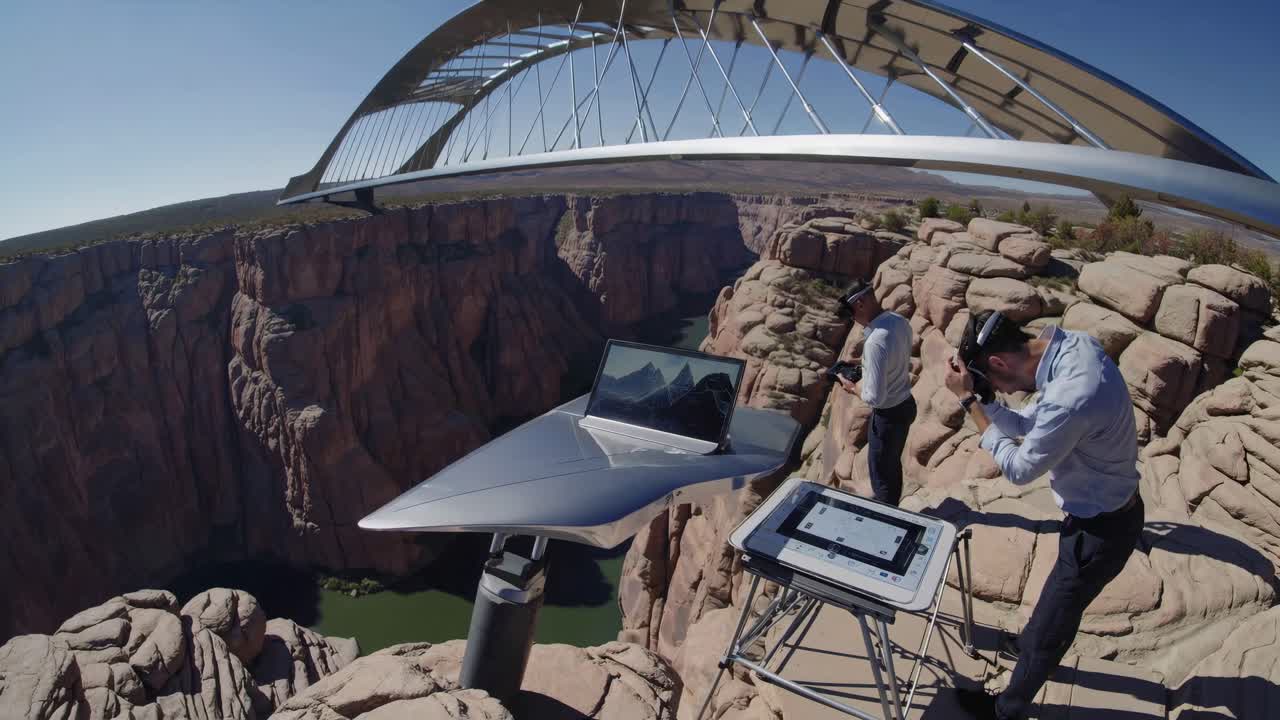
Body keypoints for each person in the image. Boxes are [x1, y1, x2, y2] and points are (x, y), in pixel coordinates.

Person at [943, 310, 1144, 720]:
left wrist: (969, 404)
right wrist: (986, 401)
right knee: (1056, 600)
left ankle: (1007, 709)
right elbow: (1026, 424)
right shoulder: (1075, 348)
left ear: (998, 363)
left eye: (994, 380)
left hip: (1101, 529)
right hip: (1098, 515)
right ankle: (1027, 643)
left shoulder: (1070, 397)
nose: (1001, 389)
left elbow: (1018, 468)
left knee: (1056, 622)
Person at [834, 279, 915, 506]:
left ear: (860, 303)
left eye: (851, 315)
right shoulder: (899, 320)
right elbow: (896, 358)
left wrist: (852, 387)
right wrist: (867, 367)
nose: (853, 321)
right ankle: (894, 504)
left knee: (881, 477)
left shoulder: (875, 341)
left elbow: (874, 398)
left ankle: (890, 518)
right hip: (906, 403)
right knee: (892, 463)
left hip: (888, 416)